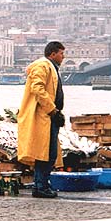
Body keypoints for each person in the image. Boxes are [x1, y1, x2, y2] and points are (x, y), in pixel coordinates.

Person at [17, 41, 66, 199]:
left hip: (50, 116)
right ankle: (41, 186)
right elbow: (37, 89)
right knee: (45, 153)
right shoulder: (43, 66)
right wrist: (52, 110)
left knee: (47, 153)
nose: (63, 57)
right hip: (44, 116)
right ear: (53, 54)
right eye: (61, 53)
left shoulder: (50, 67)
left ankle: (42, 183)